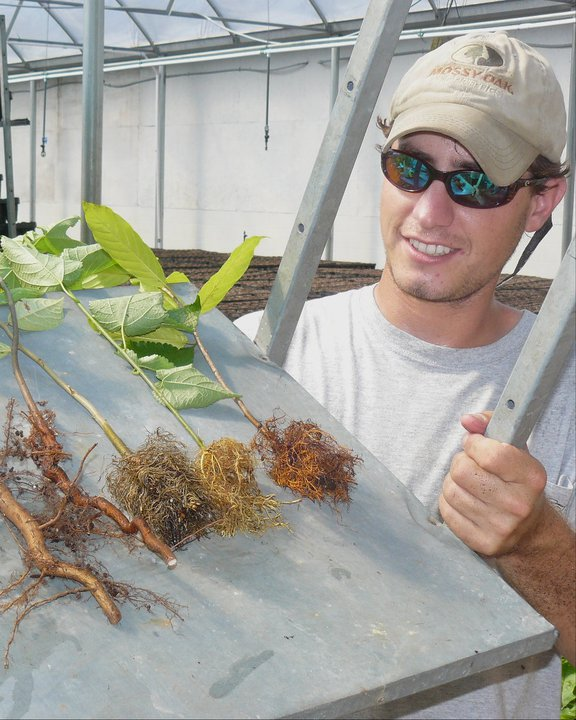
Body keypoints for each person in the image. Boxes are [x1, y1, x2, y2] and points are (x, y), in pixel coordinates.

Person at [235, 31, 575, 719]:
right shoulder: (264, 356)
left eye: (477, 182)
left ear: (541, 201)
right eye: (411, 168)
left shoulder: (562, 387)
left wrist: (537, 543)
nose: (429, 211)